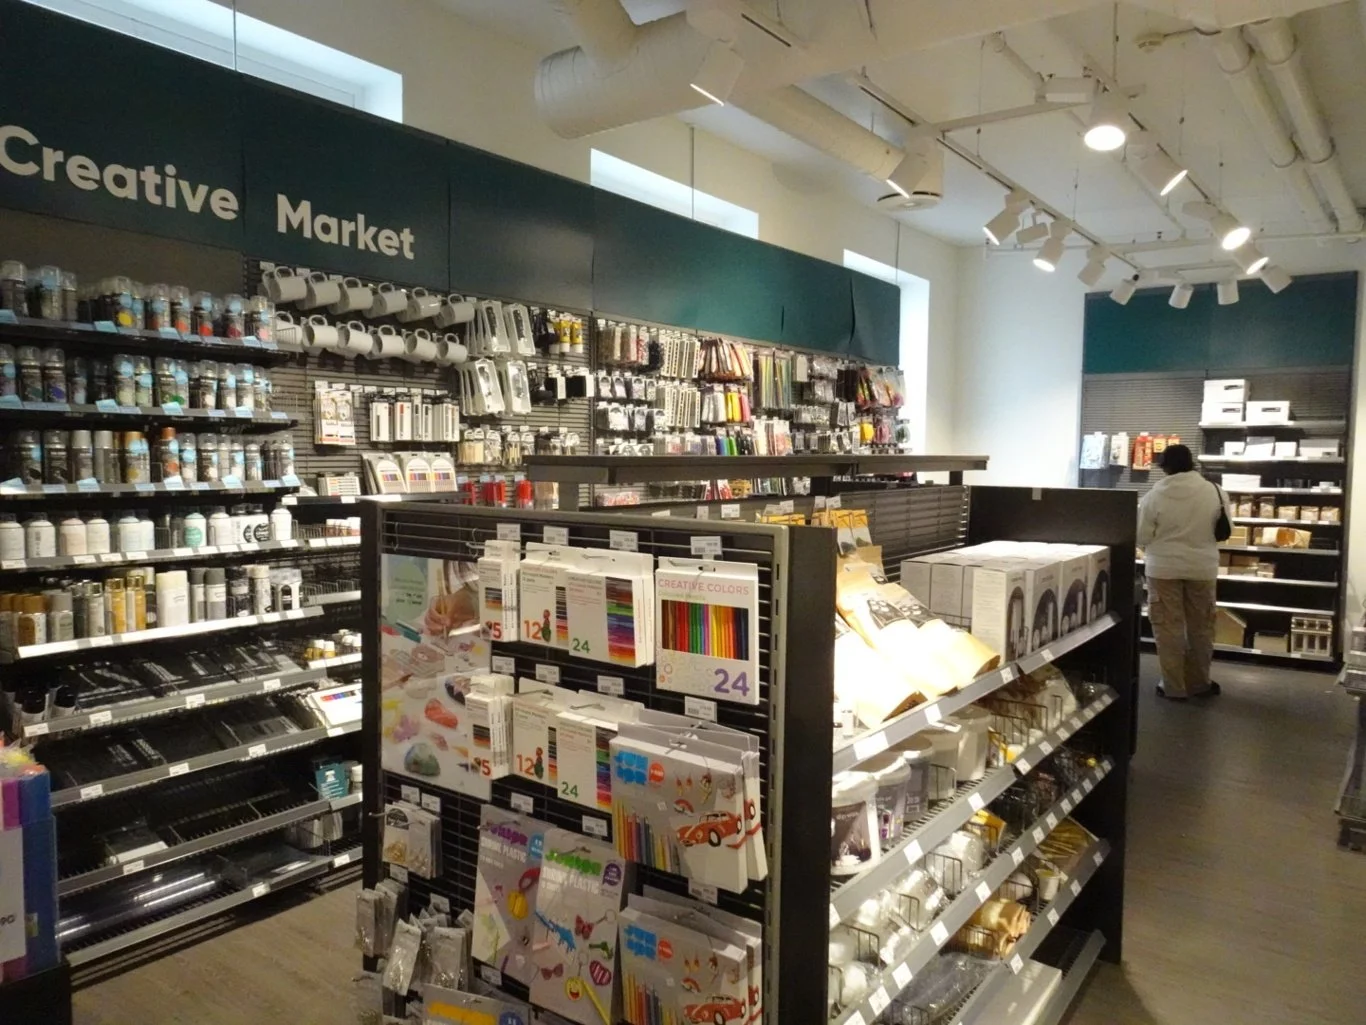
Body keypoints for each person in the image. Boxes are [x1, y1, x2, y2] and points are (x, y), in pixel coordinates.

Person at [1136, 444, 1233, 700]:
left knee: (1168, 628)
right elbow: (1226, 530)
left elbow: (1142, 535)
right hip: (1202, 568)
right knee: (1201, 627)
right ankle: (1199, 683)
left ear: (1165, 467)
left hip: (1163, 568)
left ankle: (1173, 686)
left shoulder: (1154, 496)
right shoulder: (1215, 491)